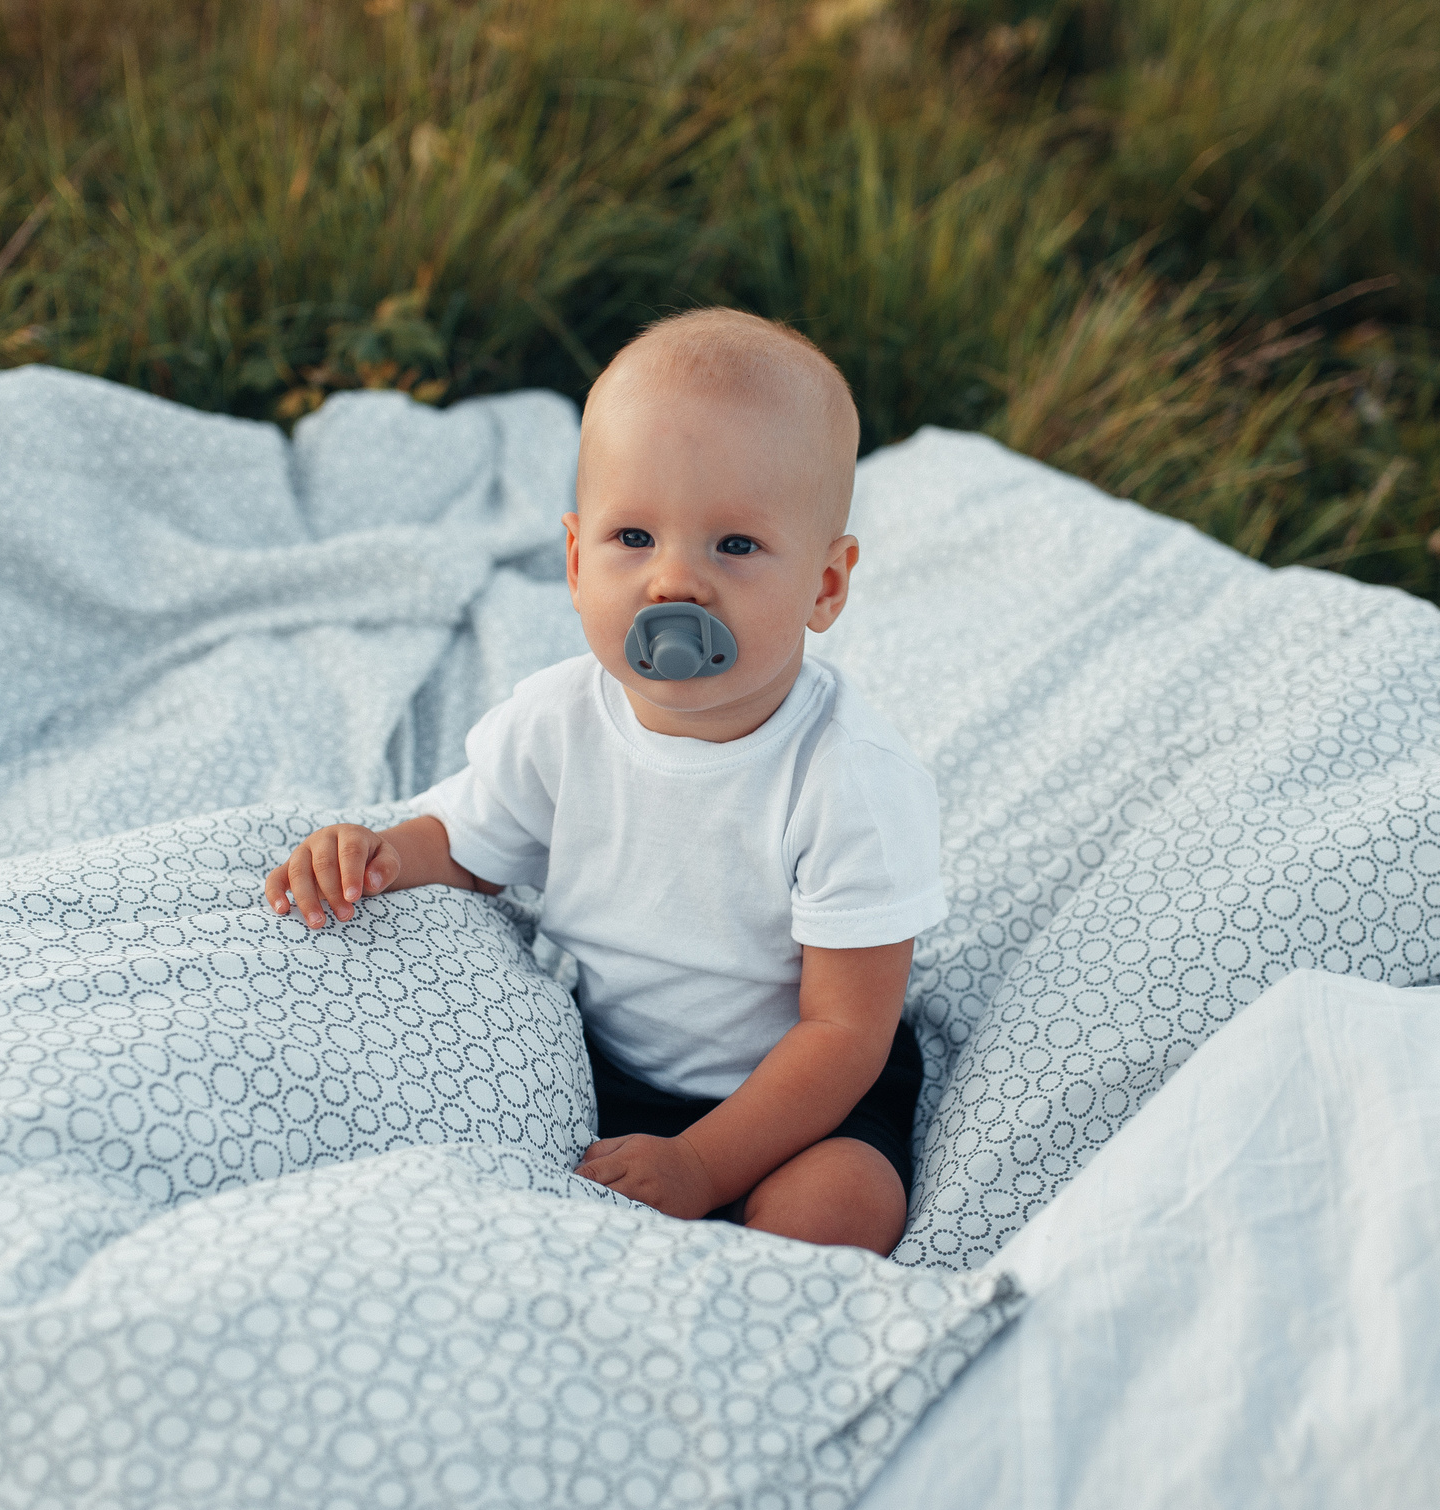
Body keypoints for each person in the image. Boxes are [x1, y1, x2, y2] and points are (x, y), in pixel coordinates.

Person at [264, 308, 943, 1255]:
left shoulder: (847, 781)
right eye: (634, 536)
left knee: (838, 1208)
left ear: (826, 586)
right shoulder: (558, 719)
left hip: (804, 1094)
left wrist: (703, 1165)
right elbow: (466, 847)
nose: (675, 583)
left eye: (735, 546)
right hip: (612, 1069)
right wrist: (378, 853)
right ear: (576, 562)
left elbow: (844, 1031)